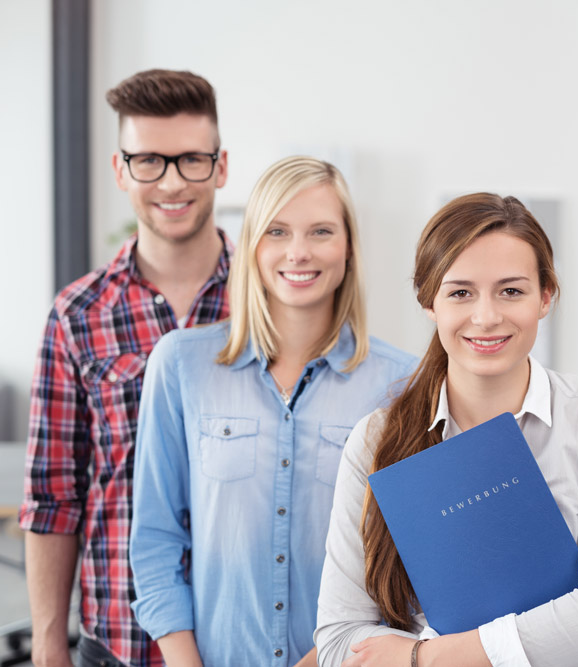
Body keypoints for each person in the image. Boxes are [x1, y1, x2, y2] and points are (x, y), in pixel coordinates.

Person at [314, 193, 578, 667]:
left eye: (511, 291)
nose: (487, 316)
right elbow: (337, 642)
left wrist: (425, 657)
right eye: (460, 292)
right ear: (429, 303)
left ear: (546, 296)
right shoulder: (376, 440)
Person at [128, 156, 415, 666]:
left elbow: (408, 564)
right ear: (250, 247)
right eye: (277, 231)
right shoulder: (181, 365)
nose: (299, 252)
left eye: (321, 231)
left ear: (348, 248)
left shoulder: (402, 385)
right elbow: (155, 539)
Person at [19, 69, 231, 667]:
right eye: (148, 162)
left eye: (191, 159)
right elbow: (52, 495)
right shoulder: (77, 315)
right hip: (117, 642)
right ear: (120, 170)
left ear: (220, 167)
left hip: (244, 641)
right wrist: (46, 644)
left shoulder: (270, 304)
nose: (170, 182)